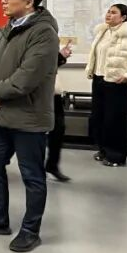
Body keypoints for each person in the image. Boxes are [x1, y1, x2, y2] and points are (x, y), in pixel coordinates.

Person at [0, 0, 59, 253]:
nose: (4, 0)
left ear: (29, 2)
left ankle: (30, 231)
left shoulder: (44, 32)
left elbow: (29, 75)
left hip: (29, 118)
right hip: (0, 115)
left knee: (32, 176)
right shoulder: (8, 28)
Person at [85, 4, 127, 167]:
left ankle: (116, 156)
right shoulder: (102, 32)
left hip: (117, 83)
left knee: (115, 121)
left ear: (123, 17)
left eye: (113, 13)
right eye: (108, 11)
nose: (109, 14)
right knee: (99, 117)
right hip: (99, 80)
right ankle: (103, 150)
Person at [45, 42, 73, 183]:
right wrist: (60, 56)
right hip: (39, 94)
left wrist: (60, 57)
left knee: (58, 129)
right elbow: (38, 64)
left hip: (53, 93)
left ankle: (52, 166)